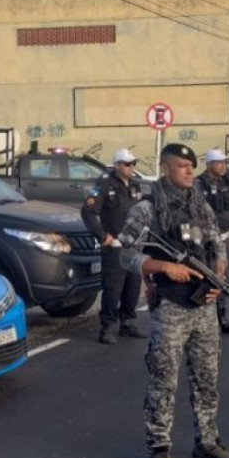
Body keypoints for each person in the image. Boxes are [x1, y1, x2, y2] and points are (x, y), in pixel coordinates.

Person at [119, 143, 229, 458]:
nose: (190, 171)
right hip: (171, 306)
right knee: (164, 379)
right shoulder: (146, 209)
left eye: (192, 166)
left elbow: (217, 245)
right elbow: (125, 254)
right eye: (182, 166)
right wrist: (163, 266)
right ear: (164, 168)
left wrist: (218, 276)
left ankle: (208, 443)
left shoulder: (199, 204)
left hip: (204, 305)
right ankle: (159, 448)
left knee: (207, 379)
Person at [80, 148, 146, 345]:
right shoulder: (104, 185)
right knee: (113, 288)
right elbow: (88, 211)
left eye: (133, 163)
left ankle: (127, 322)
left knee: (132, 287)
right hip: (115, 245)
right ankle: (107, 327)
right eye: (127, 164)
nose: (131, 167)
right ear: (116, 165)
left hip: (134, 245)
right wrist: (102, 235)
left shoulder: (135, 185)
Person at [194, 149, 229, 335]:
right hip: (205, 240)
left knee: (223, 279)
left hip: (224, 237)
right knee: (204, 278)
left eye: (224, 162)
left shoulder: (227, 182)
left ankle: (221, 317)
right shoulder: (198, 184)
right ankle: (202, 320)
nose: (223, 166)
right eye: (219, 162)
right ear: (209, 164)